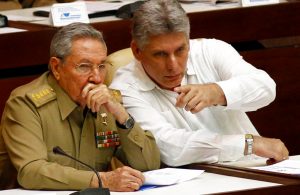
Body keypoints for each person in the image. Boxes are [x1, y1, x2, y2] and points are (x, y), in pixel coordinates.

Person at [110, 0, 289, 167]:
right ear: (137, 51)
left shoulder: (210, 51)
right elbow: (167, 147)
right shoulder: (124, 88)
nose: (173, 65)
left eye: (180, 50)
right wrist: (247, 143)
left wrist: (218, 92)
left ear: (189, 42)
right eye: (160, 54)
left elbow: (266, 88)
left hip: (256, 167)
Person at [0, 22, 160, 191]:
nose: (97, 78)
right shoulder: (25, 104)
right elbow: (31, 172)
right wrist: (101, 180)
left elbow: (149, 165)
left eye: (101, 66)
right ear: (56, 68)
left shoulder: (108, 104)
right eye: (84, 66)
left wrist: (122, 117)